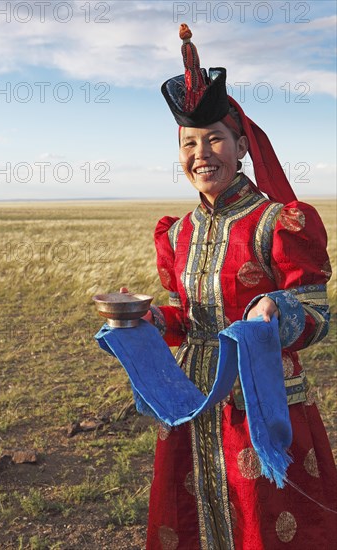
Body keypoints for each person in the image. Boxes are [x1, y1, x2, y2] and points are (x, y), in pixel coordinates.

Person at [135, 25, 337, 550]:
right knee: (195, 519)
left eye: (215, 139)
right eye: (189, 144)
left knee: (263, 525)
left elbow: (317, 311)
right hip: (191, 402)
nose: (202, 154)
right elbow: (185, 316)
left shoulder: (277, 223)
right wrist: (150, 320)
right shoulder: (177, 233)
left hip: (262, 402)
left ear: (242, 147)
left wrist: (280, 307)